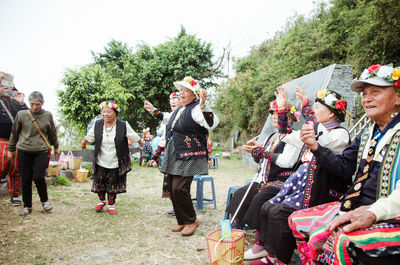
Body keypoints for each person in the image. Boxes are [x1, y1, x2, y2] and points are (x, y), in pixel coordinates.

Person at [288, 63, 400, 265]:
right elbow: (343, 167)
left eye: (376, 92)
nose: (367, 98)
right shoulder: (367, 135)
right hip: (358, 206)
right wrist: (315, 147)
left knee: (342, 240)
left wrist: (373, 212)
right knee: (298, 219)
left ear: (398, 97)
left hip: (391, 214)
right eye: (365, 94)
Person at [250, 86, 351, 265]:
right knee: (268, 206)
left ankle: (279, 259)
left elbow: (321, 138)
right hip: (302, 186)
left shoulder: (339, 134)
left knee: (280, 213)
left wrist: (305, 106)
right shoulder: (313, 132)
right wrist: (282, 109)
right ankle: (270, 251)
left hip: (321, 190)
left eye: (317, 108)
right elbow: (286, 134)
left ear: (331, 114)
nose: (313, 112)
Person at [225, 101, 302, 260]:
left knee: (261, 199)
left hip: (283, 181)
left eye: (278, 113)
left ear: (290, 118)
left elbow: (286, 162)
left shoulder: (294, 137)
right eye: (272, 113)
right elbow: (263, 162)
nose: (274, 116)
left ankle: (261, 244)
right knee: (240, 195)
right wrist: (257, 153)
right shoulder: (272, 136)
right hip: (265, 179)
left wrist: (264, 152)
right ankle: (232, 233)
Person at [159, 76, 219, 236]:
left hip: (191, 154)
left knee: (180, 188)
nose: (182, 93)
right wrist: (154, 111)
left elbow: (212, 123)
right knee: (172, 189)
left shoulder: (196, 108)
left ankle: (192, 220)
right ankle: (183, 221)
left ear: (195, 95)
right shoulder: (179, 109)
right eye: (181, 90)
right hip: (176, 152)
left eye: (186, 91)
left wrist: (204, 105)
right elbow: (167, 121)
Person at [81, 101, 144, 215]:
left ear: (115, 113)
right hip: (101, 159)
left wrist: (141, 142)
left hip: (116, 160)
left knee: (113, 182)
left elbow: (133, 135)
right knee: (99, 180)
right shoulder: (97, 124)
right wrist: (84, 143)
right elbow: (90, 135)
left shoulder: (123, 125)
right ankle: (101, 201)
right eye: (103, 112)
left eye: (108, 112)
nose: (105, 114)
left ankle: (111, 204)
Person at [8, 91, 59, 216]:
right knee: (25, 178)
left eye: (38, 104)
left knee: (38, 177)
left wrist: (56, 146)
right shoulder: (21, 114)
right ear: (29, 103)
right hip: (23, 151)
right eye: (32, 104)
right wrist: (11, 149)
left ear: (42, 103)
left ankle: (45, 201)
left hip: (40, 151)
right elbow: (14, 133)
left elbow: (52, 132)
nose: (35, 107)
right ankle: (27, 206)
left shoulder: (47, 115)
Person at [144, 92, 182, 216]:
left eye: (176, 99)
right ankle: (176, 208)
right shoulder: (170, 117)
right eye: (171, 100)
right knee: (169, 184)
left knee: (179, 186)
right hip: (170, 156)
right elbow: (162, 141)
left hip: (182, 157)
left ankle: (183, 209)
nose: (173, 102)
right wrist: (154, 157)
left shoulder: (187, 115)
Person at [0, 77, 28, 206]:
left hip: (16, 143)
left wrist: (22, 103)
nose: (7, 90)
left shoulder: (17, 103)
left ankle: (15, 194)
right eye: (4, 87)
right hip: (1, 142)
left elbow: (29, 118)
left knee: (16, 170)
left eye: (10, 87)